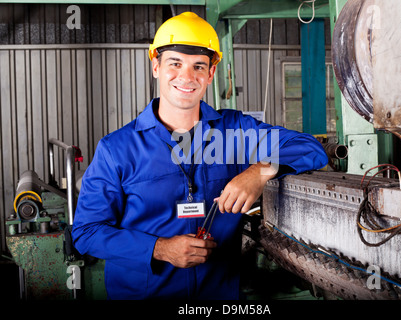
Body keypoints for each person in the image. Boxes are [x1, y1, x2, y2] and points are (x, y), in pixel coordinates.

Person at [71, 11, 328, 300]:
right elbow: (87, 233)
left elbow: (310, 148)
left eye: (198, 66)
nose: (187, 77)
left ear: (211, 73)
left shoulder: (236, 130)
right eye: (175, 63)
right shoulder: (116, 149)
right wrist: (159, 249)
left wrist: (260, 171)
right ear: (155, 66)